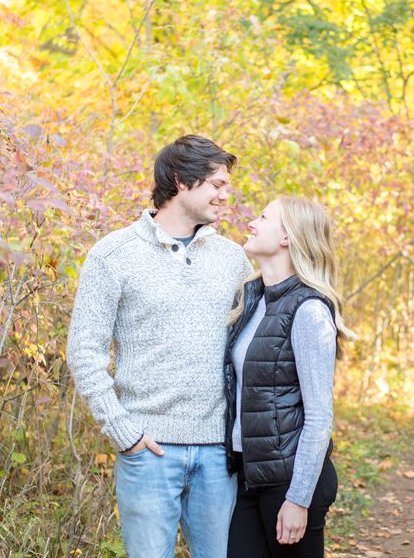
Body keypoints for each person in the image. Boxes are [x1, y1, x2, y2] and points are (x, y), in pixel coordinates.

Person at [66, 135, 253, 558]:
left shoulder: (232, 258)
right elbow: (84, 351)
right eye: (217, 184)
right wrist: (123, 431)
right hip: (148, 450)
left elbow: (255, 345)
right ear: (180, 181)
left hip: (218, 454)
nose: (227, 194)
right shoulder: (113, 255)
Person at [224, 196, 355, 557]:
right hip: (248, 478)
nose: (251, 222)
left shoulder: (308, 310)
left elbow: (318, 416)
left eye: (263, 217)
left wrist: (298, 499)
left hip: (290, 482)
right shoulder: (252, 300)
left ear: (287, 237)